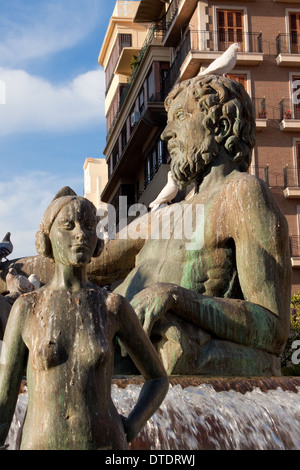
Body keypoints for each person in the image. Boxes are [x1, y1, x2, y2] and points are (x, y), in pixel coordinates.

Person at [92, 75, 291, 376]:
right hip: (116, 344)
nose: (166, 134)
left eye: (181, 118)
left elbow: (272, 329)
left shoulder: (241, 194)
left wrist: (174, 297)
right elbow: (94, 261)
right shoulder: (168, 214)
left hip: (168, 361)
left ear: (221, 127)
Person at [0, 189, 168, 450]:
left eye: (89, 226)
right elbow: (5, 398)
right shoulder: (27, 308)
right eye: (68, 226)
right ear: (48, 238)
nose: (80, 233)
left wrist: (133, 425)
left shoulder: (112, 306)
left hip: (106, 444)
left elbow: (157, 378)